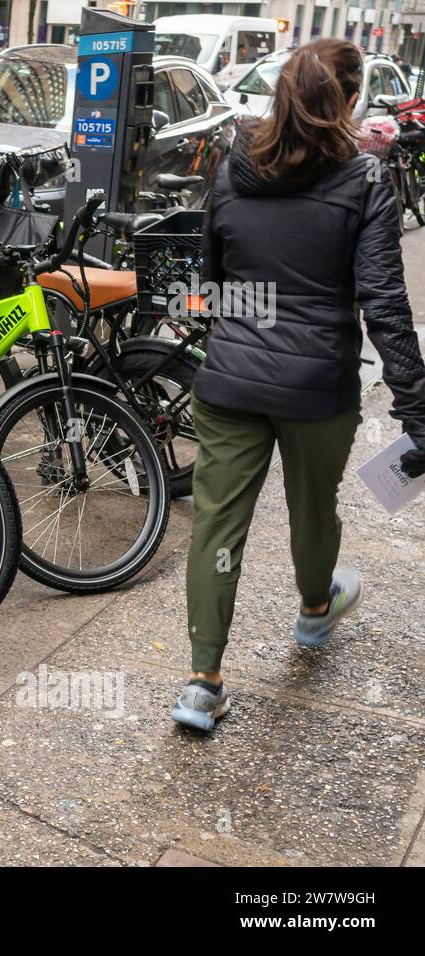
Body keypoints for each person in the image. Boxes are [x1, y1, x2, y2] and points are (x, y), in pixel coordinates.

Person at [172, 38, 425, 731]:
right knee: (315, 509)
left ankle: (202, 682)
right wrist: (417, 408)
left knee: (218, 523)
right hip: (318, 386)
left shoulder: (232, 168)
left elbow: (211, 279)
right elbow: (384, 304)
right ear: (347, 102)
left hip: (228, 381)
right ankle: (315, 611)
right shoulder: (368, 181)